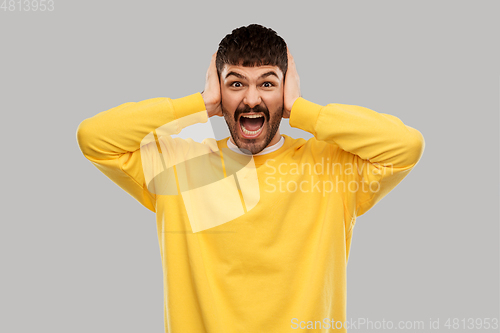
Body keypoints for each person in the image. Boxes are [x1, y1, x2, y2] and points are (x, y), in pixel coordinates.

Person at [76, 24, 425, 333]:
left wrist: (301, 110)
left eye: (268, 83)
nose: (252, 98)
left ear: (286, 90)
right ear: (220, 94)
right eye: (236, 83)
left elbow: (405, 146)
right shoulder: (179, 166)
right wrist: (200, 104)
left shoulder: (331, 166)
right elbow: (95, 138)